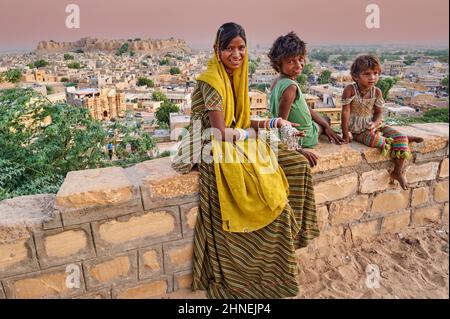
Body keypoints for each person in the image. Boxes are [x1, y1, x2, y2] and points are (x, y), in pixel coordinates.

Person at [171, 22, 319, 298]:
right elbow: (219, 131)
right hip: (211, 145)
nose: (236, 54)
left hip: (234, 139)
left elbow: (237, 120)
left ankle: (292, 241)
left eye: (240, 48)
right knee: (267, 195)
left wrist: (274, 122)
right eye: (229, 48)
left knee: (297, 166)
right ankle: (253, 274)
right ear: (217, 50)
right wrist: (253, 132)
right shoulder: (213, 81)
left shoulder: (235, 78)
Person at [341, 55, 423, 189]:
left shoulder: (377, 92)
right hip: (357, 130)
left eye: (376, 73)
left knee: (400, 138)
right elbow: (345, 112)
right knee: (377, 141)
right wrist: (345, 134)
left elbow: (379, 113)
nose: (372, 77)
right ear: (356, 76)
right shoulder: (350, 90)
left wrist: (374, 124)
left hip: (374, 125)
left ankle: (397, 171)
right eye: (367, 74)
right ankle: (399, 141)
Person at [268, 32, 344, 167]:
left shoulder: (277, 81)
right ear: (278, 65)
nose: (298, 65)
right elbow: (282, 123)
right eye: (291, 61)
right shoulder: (290, 87)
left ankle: (324, 127)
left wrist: (325, 126)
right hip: (303, 136)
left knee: (324, 121)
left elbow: (305, 108)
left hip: (290, 131)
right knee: (326, 120)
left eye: (300, 59)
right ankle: (321, 131)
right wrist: (298, 150)